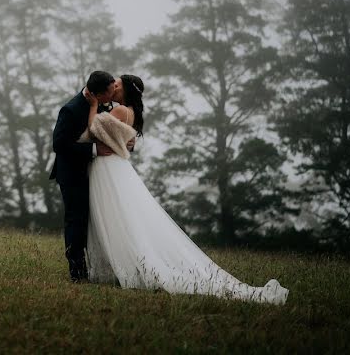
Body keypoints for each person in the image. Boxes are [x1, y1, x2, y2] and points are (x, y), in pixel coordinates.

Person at [81, 74, 289, 304]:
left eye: (117, 85)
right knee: (118, 216)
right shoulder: (129, 113)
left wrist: (92, 106)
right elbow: (121, 139)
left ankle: (123, 267)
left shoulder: (121, 112)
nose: (113, 87)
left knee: (112, 215)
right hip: (115, 166)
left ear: (125, 90)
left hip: (109, 167)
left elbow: (94, 129)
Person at [49, 70, 118, 283]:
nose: (113, 95)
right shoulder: (70, 110)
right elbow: (59, 145)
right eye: (109, 92)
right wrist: (93, 150)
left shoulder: (105, 105)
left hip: (96, 174)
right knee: (76, 221)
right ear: (98, 95)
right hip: (72, 175)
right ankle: (77, 273)